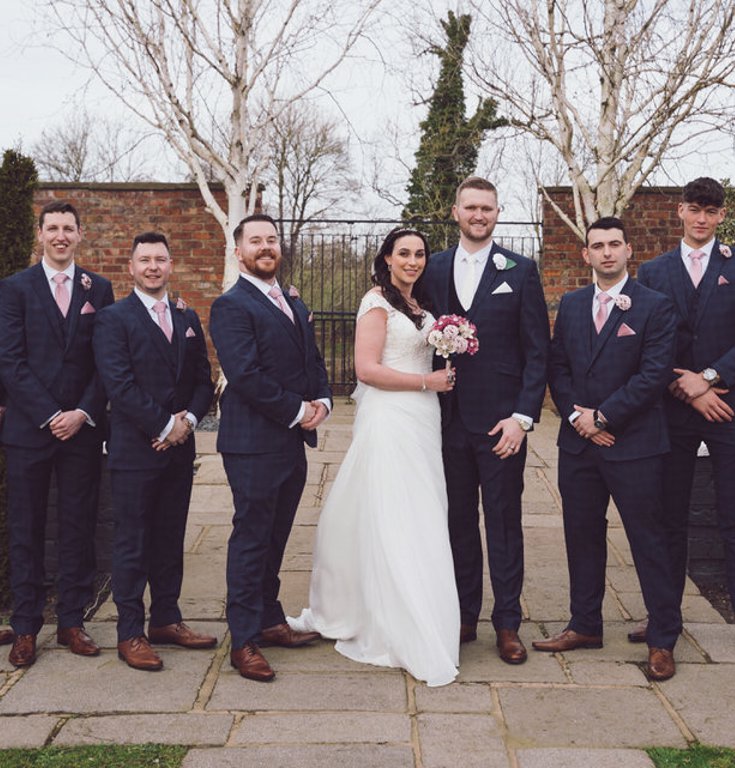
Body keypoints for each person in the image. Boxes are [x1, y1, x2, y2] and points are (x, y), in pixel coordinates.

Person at [289, 228, 460, 686]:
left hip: (423, 418)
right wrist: (428, 383)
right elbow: (365, 370)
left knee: (422, 510)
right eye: (403, 253)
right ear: (386, 258)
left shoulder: (422, 307)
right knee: (393, 511)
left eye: (420, 253)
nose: (413, 260)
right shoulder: (376, 302)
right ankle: (393, 618)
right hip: (391, 415)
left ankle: (422, 604)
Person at [538, 217, 682, 680]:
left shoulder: (655, 306)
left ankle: (662, 637)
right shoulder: (574, 303)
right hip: (580, 446)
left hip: (634, 443)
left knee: (648, 540)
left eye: (614, 244)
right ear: (586, 255)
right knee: (581, 534)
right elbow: (556, 366)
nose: (606, 252)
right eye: (597, 245)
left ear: (628, 250)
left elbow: (654, 374)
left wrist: (603, 418)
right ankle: (585, 625)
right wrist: (580, 419)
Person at [637, 177, 735, 663]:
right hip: (674, 411)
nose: (702, 219)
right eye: (695, 209)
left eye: (711, 212)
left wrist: (710, 378)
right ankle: (662, 622)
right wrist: (688, 390)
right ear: (680, 211)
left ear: (722, 215)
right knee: (668, 517)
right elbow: (650, 346)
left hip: (730, 408)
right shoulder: (653, 272)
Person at [421, 177, 550, 665]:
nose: (479, 215)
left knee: (503, 522)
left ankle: (508, 622)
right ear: (455, 211)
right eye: (471, 207)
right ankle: (462, 615)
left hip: (501, 426)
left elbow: (538, 351)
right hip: (445, 423)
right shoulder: (431, 269)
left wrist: (522, 418)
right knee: (455, 523)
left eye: (488, 208)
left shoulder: (520, 270)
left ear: (498, 213)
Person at [210, 214, 332, 682]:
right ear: (238, 251)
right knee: (251, 537)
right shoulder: (231, 306)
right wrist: (297, 410)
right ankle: (243, 639)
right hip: (252, 444)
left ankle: (269, 616)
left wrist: (321, 399)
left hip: (289, 444)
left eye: (272, 240)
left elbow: (312, 360)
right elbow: (245, 375)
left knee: (276, 536)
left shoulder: (293, 302)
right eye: (255, 241)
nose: (265, 247)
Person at [93, 232, 216, 671]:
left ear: (170, 265)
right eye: (144, 260)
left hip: (179, 452)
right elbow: (119, 385)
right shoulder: (113, 320)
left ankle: (167, 618)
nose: (153, 267)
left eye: (160, 259)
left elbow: (204, 379)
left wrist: (186, 424)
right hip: (135, 451)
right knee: (132, 542)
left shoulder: (186, 317)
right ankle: (130, 632)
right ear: (131, 267)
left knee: (169, 537)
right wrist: (165, 425)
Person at [0, 201, 114, 667]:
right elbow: (10, 360)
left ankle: (72, 620)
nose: (61, 235)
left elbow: (105, 360)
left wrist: (84, 411)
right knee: (26, 529)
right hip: (30, 429)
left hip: (81, 433)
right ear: (40, 235)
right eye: (53, 228)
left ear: (80, 234)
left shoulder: (98, 289)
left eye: (69, 228)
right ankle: (26, 626)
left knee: (77, 527)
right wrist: (51, 414)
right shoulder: (14, 289)